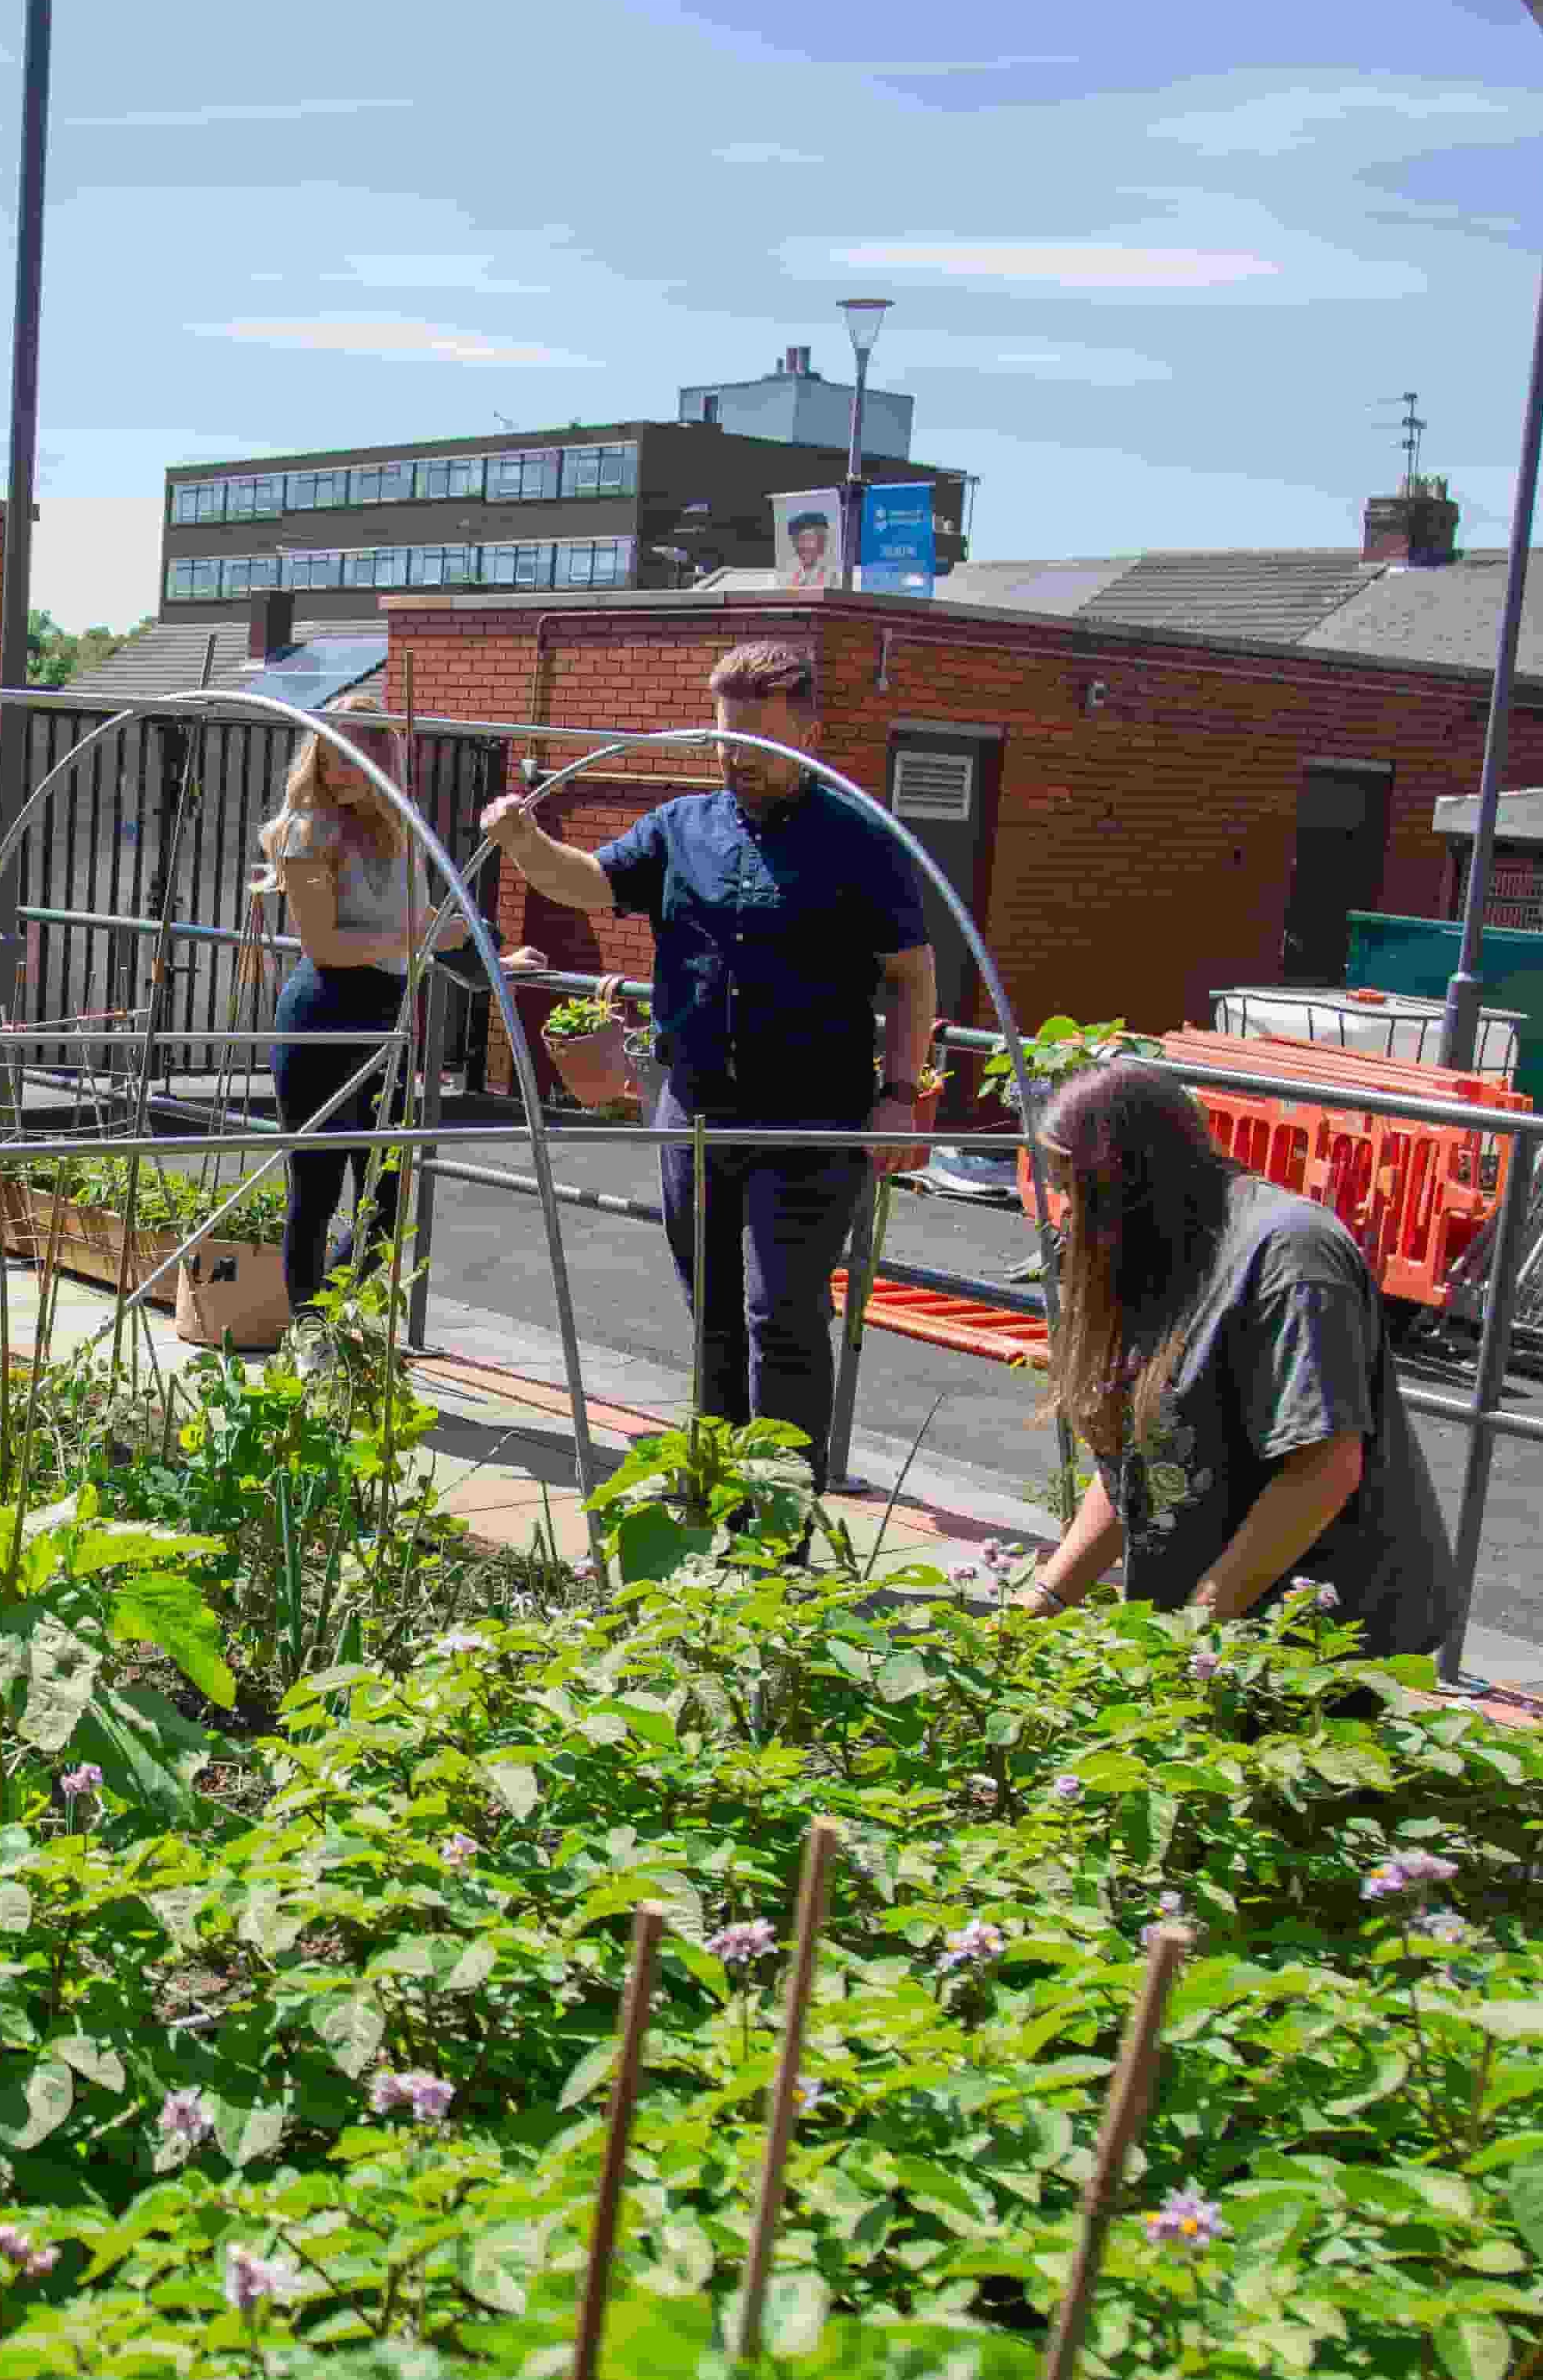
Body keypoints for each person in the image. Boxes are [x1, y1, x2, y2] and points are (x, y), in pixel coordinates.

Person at [478, 638, 936, 1452]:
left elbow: (909, 975)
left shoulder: (862, 842)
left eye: (754, 741)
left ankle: (782, 1527)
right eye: (722, 738)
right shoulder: (681, 827)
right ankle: (719, 1490)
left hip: (809, 1115)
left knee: (781, 1311)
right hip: (693, 1102)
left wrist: (900, 1095)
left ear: (808, 733)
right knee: (713, 1309)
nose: (734, 758)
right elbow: (589, 880)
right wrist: (523, 843)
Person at [1003, 1059, 1462, 1659]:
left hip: (1322, 1636)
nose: (1063, 1213)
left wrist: (1193, 1636)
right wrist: (1040, 1606)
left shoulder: (1289, 1256)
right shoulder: (1159, 1242)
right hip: (1213, 1625)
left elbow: (1322, 1471)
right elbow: (1137, 1468)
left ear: (1126, 1177)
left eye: (1071, 1188)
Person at [251, 724, 445, 1315]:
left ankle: (327, 1322)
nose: (340, 775)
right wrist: (429, 934)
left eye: (354, 761)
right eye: (330, 761)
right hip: (324, 1012)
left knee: (385, 1197)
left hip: (388, 1012)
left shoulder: (400, 827)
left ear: (382, 760)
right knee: (315, 1187)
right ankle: (311, 1334)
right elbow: (327, 945)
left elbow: (420, 918)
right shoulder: (307, 832)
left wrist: (489, 956)